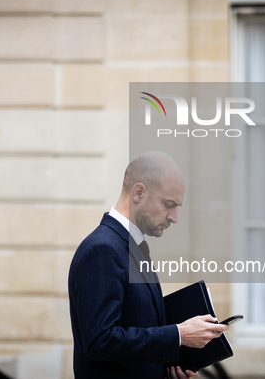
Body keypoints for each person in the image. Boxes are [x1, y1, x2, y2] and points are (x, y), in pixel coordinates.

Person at [68, 151, 229, 379]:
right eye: (168, 204)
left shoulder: (132, 246)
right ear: (139, 193)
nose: (174, 217)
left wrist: (168, 371)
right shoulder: (102, 249)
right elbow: (99, 341)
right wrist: (178, 335)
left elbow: (137, 330)